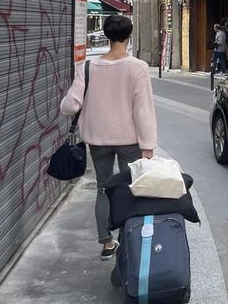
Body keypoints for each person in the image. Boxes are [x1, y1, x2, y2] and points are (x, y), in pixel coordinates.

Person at [59, 15, 157, 260]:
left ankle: (106, 242)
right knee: (130, 189)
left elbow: (70, 106)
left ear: (106, 35)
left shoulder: (89, 67)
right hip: (129, 140)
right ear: (129, 35)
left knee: (103, 188)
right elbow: (142, 108)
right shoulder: (137, 67)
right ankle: (128, 237)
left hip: (98, 140)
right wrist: (148, 145)